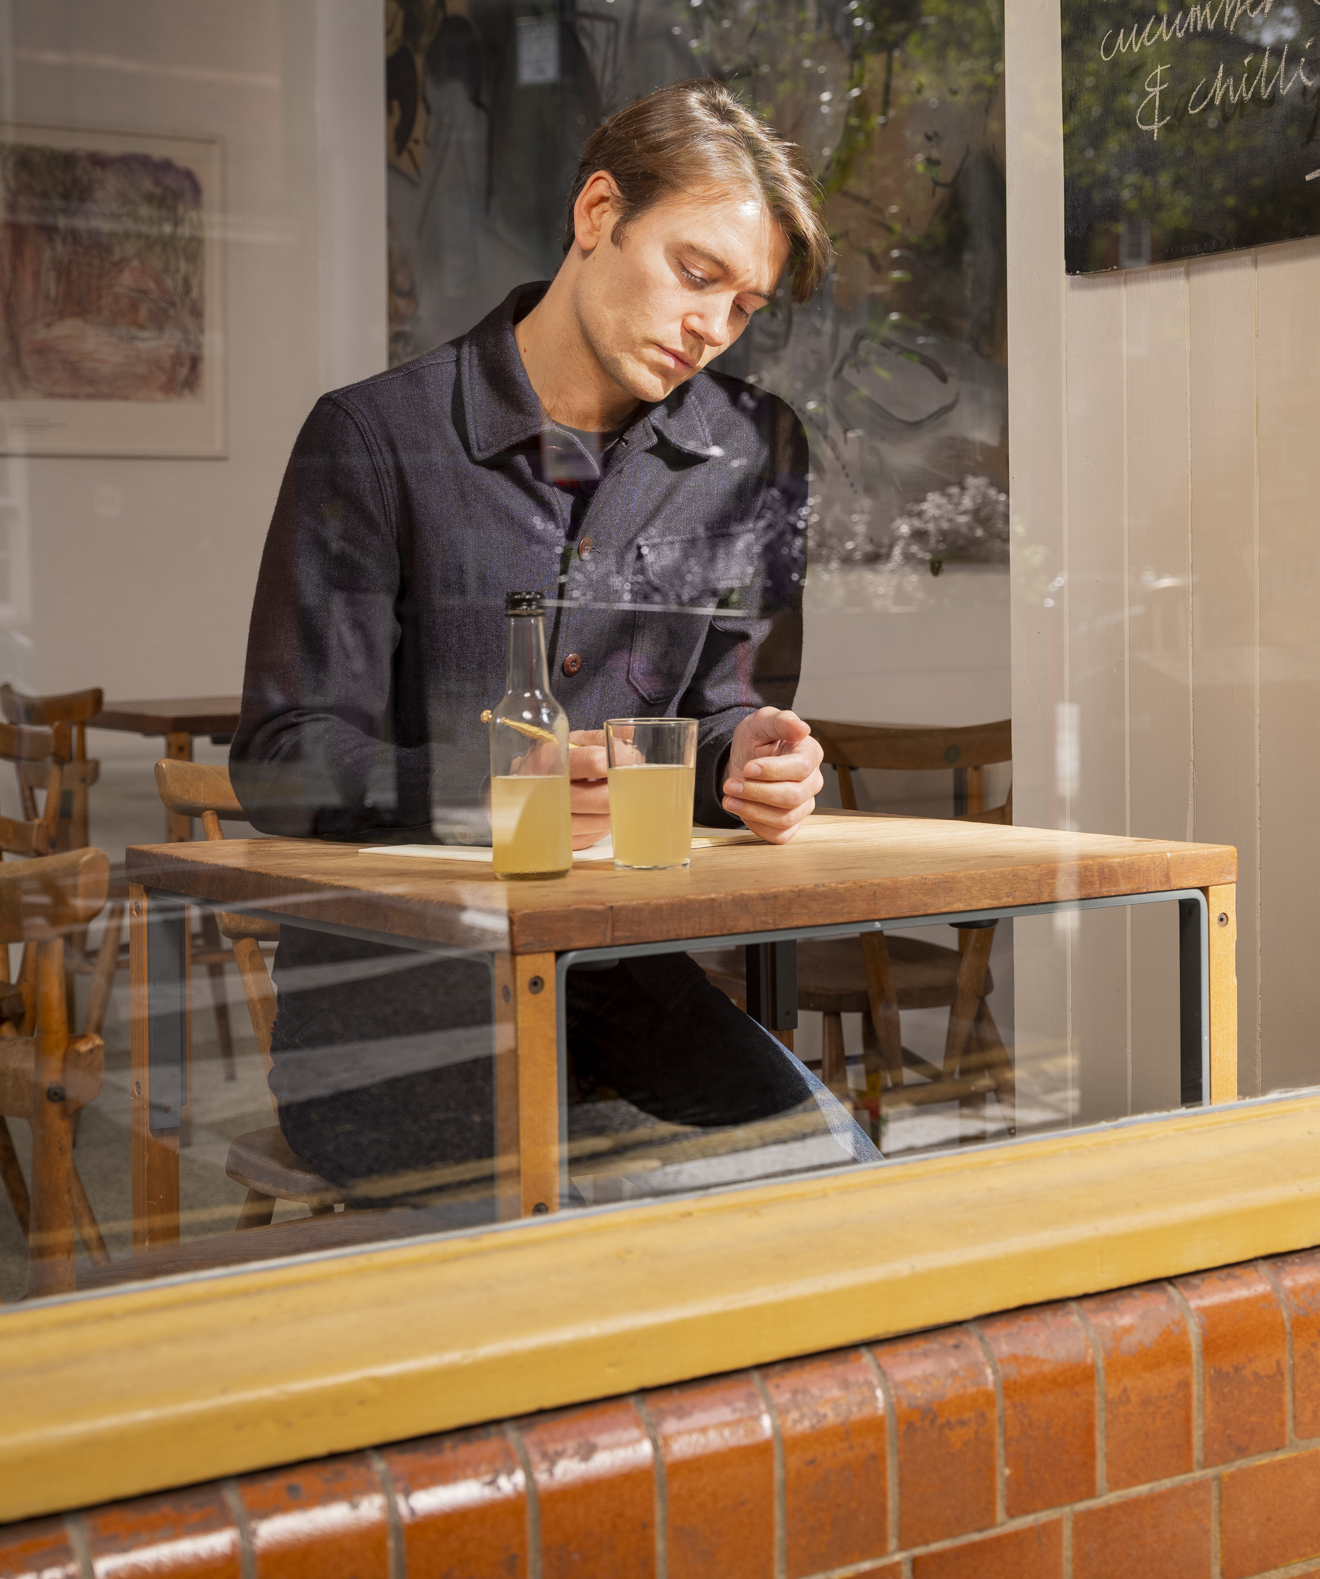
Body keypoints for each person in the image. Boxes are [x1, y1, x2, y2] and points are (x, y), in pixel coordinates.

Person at [230, 81, 872, 1196]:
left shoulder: (753, 449)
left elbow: (718, 716)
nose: (712, 329)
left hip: (632, 992)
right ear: (595, 215)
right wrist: (491, 791)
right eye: (695, 273)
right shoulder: (374, 439)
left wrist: (754, 759)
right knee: (623, 1243)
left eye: (746, 305)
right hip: (400, 1017)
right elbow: (281, 757)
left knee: (852, 1198)